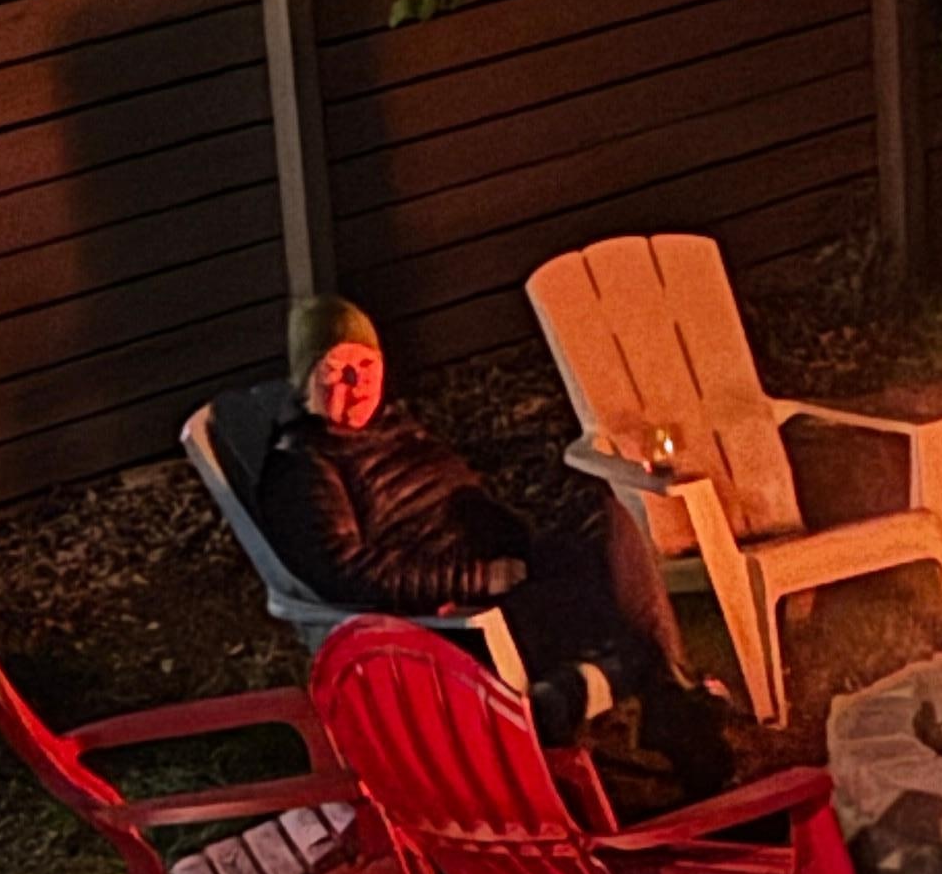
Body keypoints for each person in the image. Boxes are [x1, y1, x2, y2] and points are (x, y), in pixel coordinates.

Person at [255, 297, 730, 782]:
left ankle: (606, 694)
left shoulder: (392, 430)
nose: (356, 384)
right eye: (336, 370)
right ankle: (645, 705)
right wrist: (478, 577)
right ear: (305, 380)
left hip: (502, 579)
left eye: (367, 365)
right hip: (453, 620)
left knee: (614, 525)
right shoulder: (302, 467)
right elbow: (347, 571)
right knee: (621, 619)